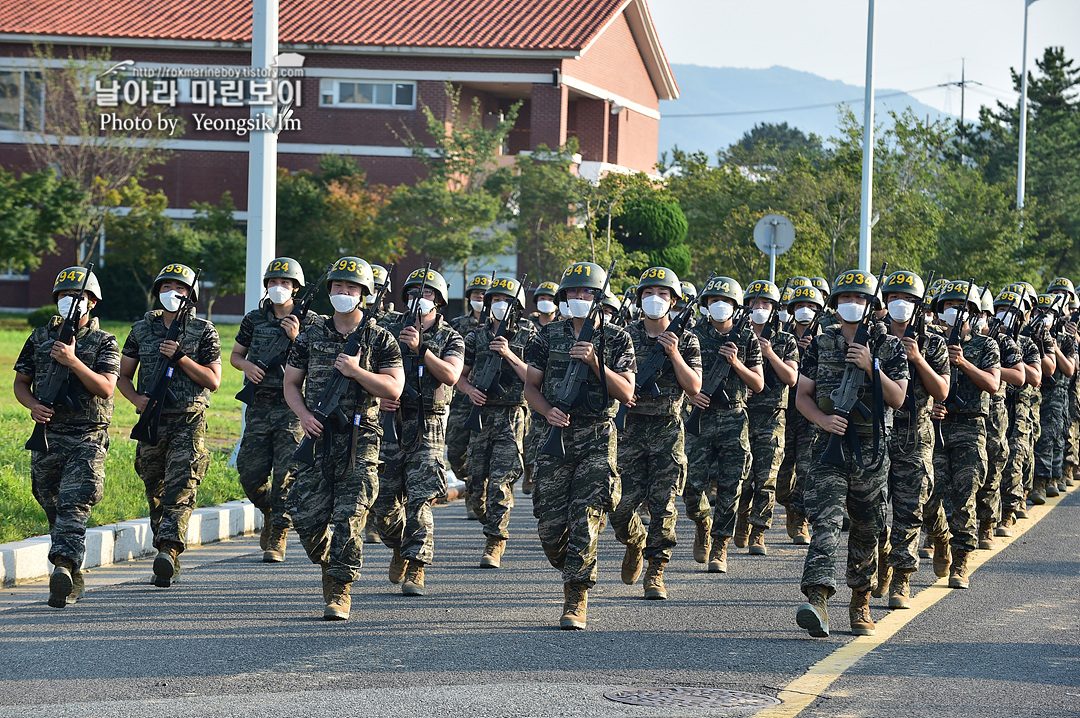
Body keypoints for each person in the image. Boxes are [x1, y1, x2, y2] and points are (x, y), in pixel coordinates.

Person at [283, 257, 403, 620]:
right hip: (317, 437)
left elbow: (394, 387)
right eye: (338, 287)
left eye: (351, 288)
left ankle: (340, 589)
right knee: (306, 520)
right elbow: (291, 382)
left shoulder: (379, 337)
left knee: (350, 517)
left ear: (365, 294)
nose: (343, 293)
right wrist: (304, 416)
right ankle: (330, 564)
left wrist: (357, 371)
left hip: (360, 438)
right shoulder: (311, 333)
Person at [795, 269, 908, 638]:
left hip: (870, 454)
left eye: (859, 299)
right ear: (835, 304)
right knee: (825, 522)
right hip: (828, 450)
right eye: (845, 298)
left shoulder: (888, 345)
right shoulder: (820, 343)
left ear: (871, 305)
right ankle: (818, 599)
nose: (852, 304)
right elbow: (802, 396)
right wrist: (823, 421)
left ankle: (860, 599)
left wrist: (871, 366)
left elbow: (898, 398)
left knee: (867, 528)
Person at [524, 261, 636, 629]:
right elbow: (531, 388)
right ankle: (582, 561)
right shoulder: (546, 336)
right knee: (550, 528)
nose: (579, 298)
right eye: (572, 292)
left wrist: (595, 363)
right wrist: (547, 412)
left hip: (597, 437)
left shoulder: (618, 338)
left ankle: (576, 597)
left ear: (600, 298)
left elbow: (626, 392)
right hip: (555, 437)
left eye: (587, 292)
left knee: (584, 518)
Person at [14, 266, 119, 608]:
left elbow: (105, 388)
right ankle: (73, 573)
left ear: (92, 302)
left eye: (78, 297)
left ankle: (63, 566)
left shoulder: (105, 342)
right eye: (64, 296)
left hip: (87, 436)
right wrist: (32, 406)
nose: (70, 302)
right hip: (48, 435)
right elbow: (21, 383)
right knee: (50, 503)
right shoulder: (40, 338)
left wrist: (73, 361)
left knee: (74, 503)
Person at [118, 264, 221, 589]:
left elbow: (213, 381)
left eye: (179, 287)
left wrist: (181, 358)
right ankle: (166, 548)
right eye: (166, 286)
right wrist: (136, 400)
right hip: (152, 421)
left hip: (189, 421)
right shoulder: (141, 329)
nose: (171, 292)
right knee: (155, 489)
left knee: (181, 488)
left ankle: (169, 551)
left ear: (190, 294)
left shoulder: (204, 330)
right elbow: (123, 375)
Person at [612, 267, 702, 600]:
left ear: (674, 301)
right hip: (629, 429)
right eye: (649, 293)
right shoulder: (624, 336)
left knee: (664, 507)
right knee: (619, 507)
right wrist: (625, 392)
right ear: (639, 299)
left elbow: (694, 387)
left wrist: (674, 352)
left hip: (668, 430)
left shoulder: (687, 339)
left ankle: (656, 570)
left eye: (663, 294)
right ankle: (635, 541)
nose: (656, 299)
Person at [374, 267, 465, 597]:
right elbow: (367, 369)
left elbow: (452, 375)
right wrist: (378, 395)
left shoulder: (451, 337)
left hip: (428, 424)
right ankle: (400, 545)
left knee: (420, 498)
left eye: (426, 294)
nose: (418, 299)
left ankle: (416, 565)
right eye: (413, 293)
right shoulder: (386, 328)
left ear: (438, 302)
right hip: (390, 422)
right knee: (381, 503)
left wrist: (422, 349)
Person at [230, 257, 315, 563]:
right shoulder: (254, 319)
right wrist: (248, 366)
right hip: (259, 405)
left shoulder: (311, 322)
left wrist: (296, 339)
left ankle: (278, 530)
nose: (279, 288)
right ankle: (270, 509)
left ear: (296, 288)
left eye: (286, 283)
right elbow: (236, 355)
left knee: (287, 474)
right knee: (249, 472)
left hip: (293, 407)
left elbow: (318, 361)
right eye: (274, 283)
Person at [877, 270, 949, 609]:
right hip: (876, 431)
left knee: (910, 508)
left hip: (915, 435)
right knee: (874, 508)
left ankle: (902, 578)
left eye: (906, 299)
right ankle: (881, 564)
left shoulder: (932, 340)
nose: (899, 304)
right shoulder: (872, 336)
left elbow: (942, 390)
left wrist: (918, 358)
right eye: (892, 298)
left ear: (918, 305)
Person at [684, 276, 764, 573]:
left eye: (727, 301)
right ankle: (703, 521)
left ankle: (719, 545)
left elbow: (758, 383)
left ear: (735, 306)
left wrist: (736, 363)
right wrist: (692, 395)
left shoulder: (747, 339)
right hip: (700, 419)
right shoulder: (692, 335)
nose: (720, 305)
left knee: (731, 487)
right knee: (691, 486)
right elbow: (680, 375)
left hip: (733, 417)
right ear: (705, 304)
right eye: (715, 300)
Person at [924, 281, 1000, 590]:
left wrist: (963, 362)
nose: (955, 310)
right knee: (927, 495)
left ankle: (960, 560)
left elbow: (993, 384)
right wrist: (930, 406)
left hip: (970, 428)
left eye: (962, 305)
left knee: (965, 496)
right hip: (936, 429)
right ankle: (941, 537)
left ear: (973, 311)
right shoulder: (929, 342)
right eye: (949, 304)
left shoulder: (986, 346)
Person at [457, 275, 537, 568]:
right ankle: (488, 519)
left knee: (501, 481)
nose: (499, 305)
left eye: (506, 301)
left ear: (517, 306)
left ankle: (495, 541)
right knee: (476, 486)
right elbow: (459, 376)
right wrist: (470, 391)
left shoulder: (529, 336)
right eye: (495, 300)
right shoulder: (475, 337)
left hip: (512, 414)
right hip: (481, 414)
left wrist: (508, 354)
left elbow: (534, 377)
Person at [738, 279, 799, 556]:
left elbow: (791, 377)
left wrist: (770, 353)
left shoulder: (785, 340)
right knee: (741, 476)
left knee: (766, 477)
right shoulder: (737, 335)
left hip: (773, 415)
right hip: (740, 413)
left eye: (766, 303)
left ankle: (759, 530)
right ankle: (740, 517)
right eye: (755, 302)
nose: (760, 307)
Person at [775, 279, 825, 545]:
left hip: (811, 412)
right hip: (783, 412)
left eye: (811, 306)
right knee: (781, 474)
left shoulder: (826, 340)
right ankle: (788, 503)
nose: (805, 310)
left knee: (806, 470)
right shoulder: (781, 336)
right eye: (800, 305)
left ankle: (800, 516)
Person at [447, 273, 491, 518]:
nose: (480, 298)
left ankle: (477, 496)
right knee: (455, 449)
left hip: (488, 397)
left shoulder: (500, 327)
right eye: (476, 294)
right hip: (462, 393)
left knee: (481, 451)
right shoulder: (458, 324)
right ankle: (469, 484)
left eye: (484, 295)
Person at [522, 280, 561, 495]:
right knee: (532, 440)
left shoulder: (565, 326)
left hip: (557, 393)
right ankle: (530, 470)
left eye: (549, 298)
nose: (545, 302)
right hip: (535, 392)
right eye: (541, 298)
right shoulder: (528, 326)